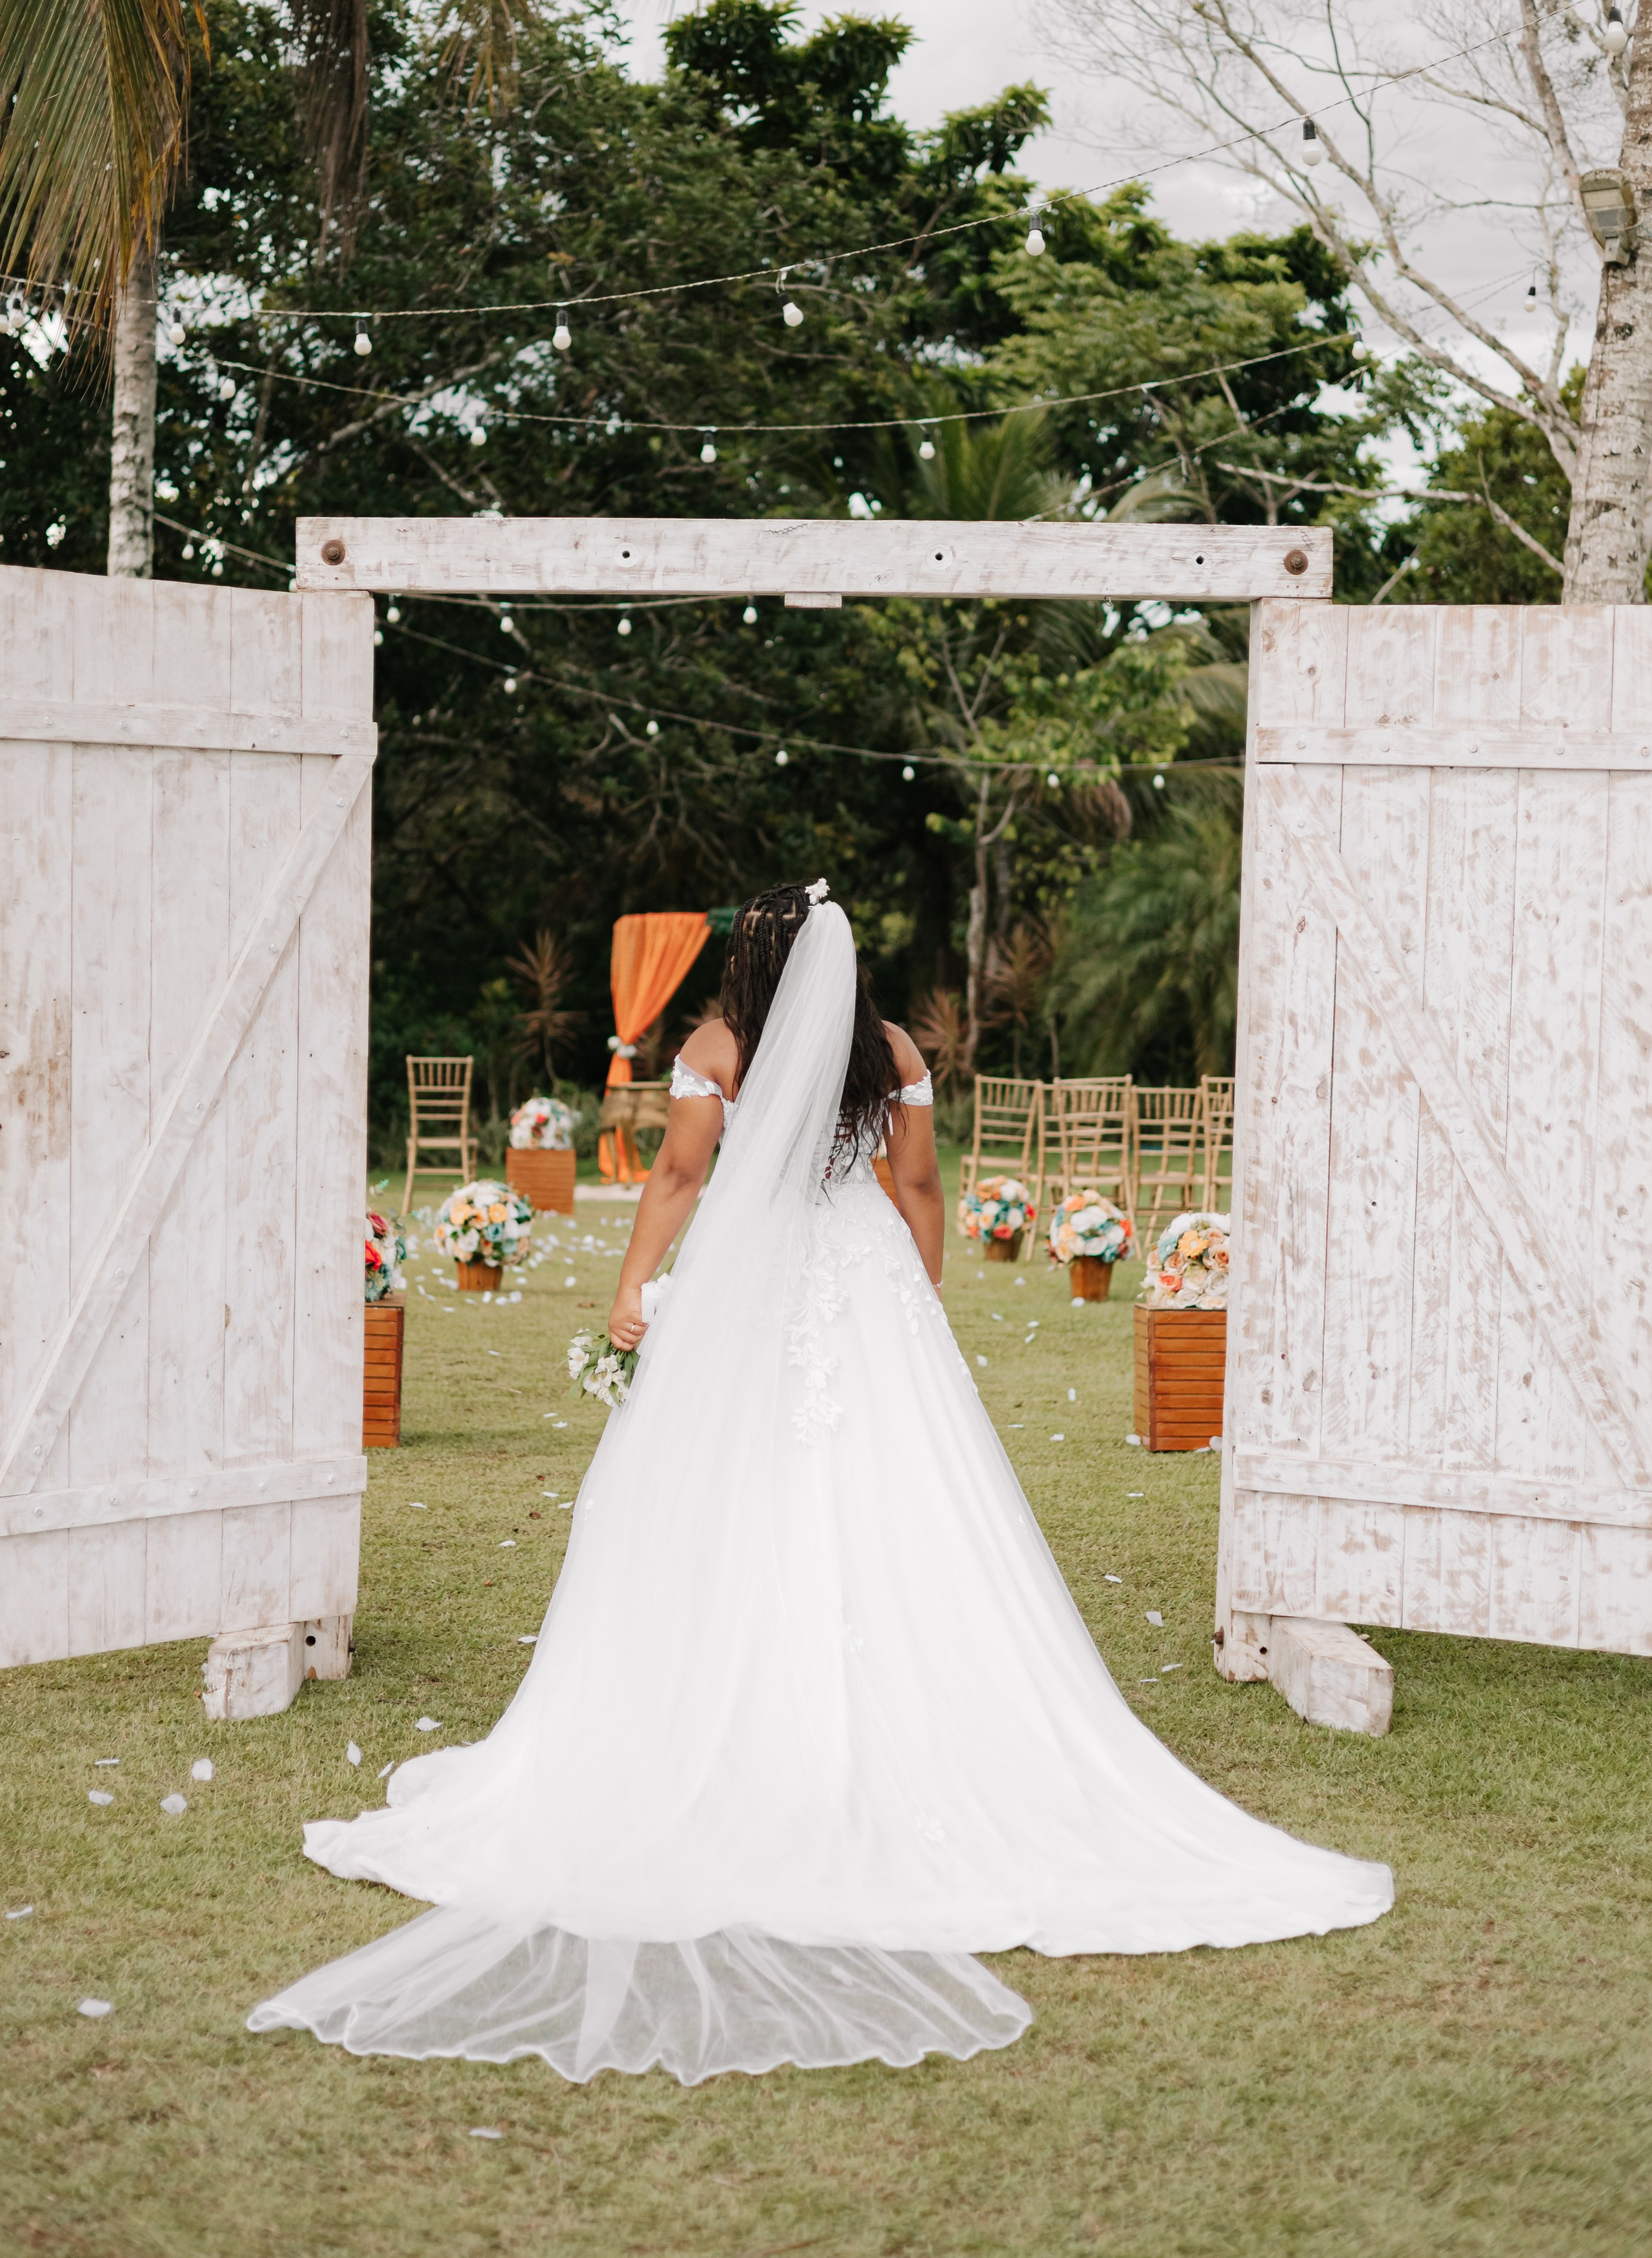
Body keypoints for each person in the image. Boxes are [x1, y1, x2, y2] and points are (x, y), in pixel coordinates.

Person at [248, 882, 1390, 2084]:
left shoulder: (716, 1047)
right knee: (898, 1499)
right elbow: (919, 1189)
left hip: (753, 1286)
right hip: (863, 1284)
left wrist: (631, 1287)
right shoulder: (890, 1048)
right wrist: (921, 1302)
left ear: (754, 960)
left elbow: (682, 1181)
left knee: (723, 1492)